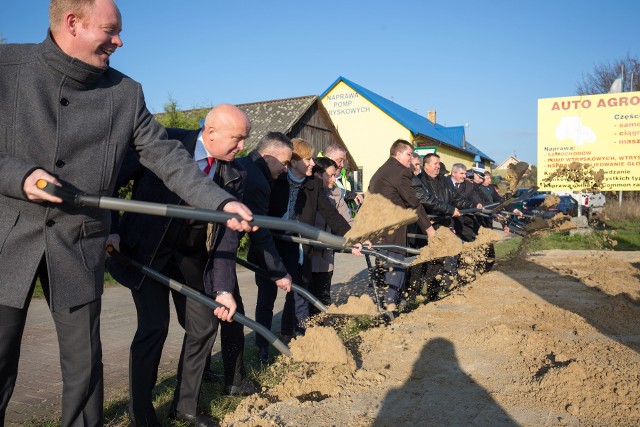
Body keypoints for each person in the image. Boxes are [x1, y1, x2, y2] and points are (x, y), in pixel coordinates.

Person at [0, 2, 254, 426]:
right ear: (72, 23)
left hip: (77, 246)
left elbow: (167, 156)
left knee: (84, 371)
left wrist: (220, 202)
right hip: (8, 241)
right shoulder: (8, 68)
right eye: (111, 30)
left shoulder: (125, 93)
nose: (120, 41)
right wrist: (17, 174)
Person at [108, 105, 257, 426]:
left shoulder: (235, 174)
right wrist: (112, 229)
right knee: (154, 327)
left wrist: (224, 289)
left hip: (191, 257)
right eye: (238, 138)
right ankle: (142, 415)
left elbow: (226, 237)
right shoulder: (165, 144)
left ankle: (185, 407)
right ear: (212, 133)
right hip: (145, 251)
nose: (243, 146)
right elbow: (111, 182)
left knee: (204, 326)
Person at [265, 139, 363, 339]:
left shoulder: (313, 184)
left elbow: (332, 215)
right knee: (266, 297)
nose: (312, 162)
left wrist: (351, 239)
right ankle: (263, 346)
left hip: (300, 247)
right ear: (293, 162)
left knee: (300, 293)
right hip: (271, 244)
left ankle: (301, 338)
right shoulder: (276, 181)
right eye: (308, 159)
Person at [237, 131, 294, 363]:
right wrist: (278, 271)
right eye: (285, 162)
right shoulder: (257, 180)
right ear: (269, 156)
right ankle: (235, 377)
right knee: (231, 315)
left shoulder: (245, 165)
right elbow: (260, 230)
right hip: (215, 250)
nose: (285, 169)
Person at [368, 139, 436, 309]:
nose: (410, 158)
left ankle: (383, 307)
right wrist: (428, 228)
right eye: (408, 154)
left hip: (379, 230)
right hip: (393, 232)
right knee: (396, 270)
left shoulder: (381, 170)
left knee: (384, 271)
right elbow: (413, 203)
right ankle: (390, 310)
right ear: (398, 154)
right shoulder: (400, 172)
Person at [310, 157, 354, 313]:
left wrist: (359, 238)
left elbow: (346, 220)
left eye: (335, 175)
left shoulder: (335, 193)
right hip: (310, 254)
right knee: (307, 299)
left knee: (324, 296)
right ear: (318, 175)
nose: (334, 179)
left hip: (326, 254)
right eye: (330, 175)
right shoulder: (309, 193)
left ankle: (322, 331)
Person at [320, 143, 363, 216]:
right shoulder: (319, 175)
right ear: (328, 159)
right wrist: (348, 194)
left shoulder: (343, 177)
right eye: (339, 161)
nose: (342, 165)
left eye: (344, 161)